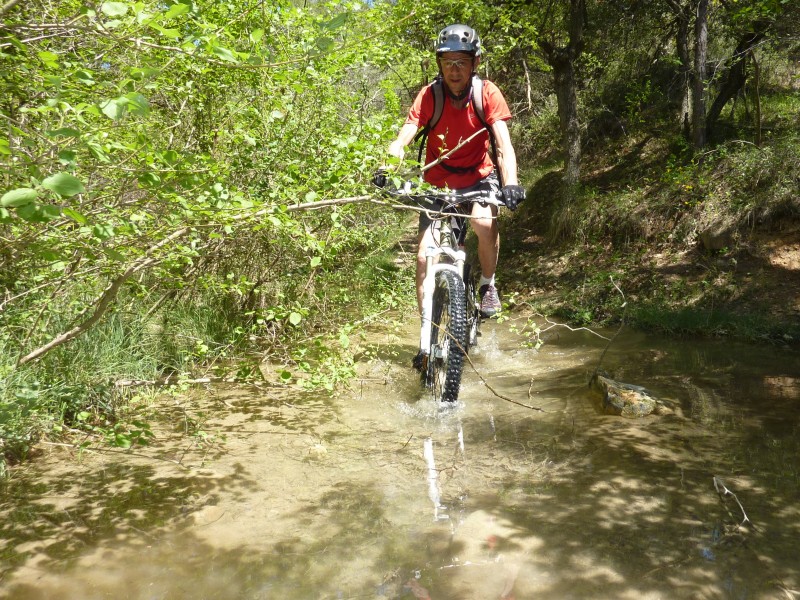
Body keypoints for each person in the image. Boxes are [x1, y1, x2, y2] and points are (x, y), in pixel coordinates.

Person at [374, 24, 525, 321]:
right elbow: (406, 134)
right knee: (422, 257)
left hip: (479, 176)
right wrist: (385, 167)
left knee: (483, 222)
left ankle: (487, 284)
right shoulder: (430, 95)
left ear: (475, 62)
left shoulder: (487, 93)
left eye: (462, 62)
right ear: (439, 64)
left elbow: (503, 142)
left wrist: (511, 183)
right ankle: (426, 337)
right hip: (438, 184)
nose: (454, 70)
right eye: (447, 62)